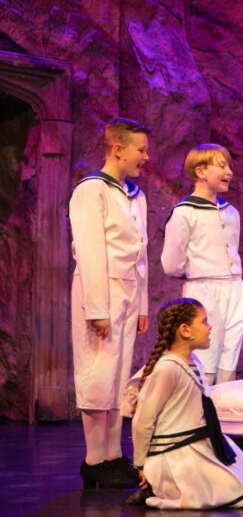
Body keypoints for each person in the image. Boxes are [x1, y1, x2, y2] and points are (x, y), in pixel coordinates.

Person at [130, 298, 243, 509]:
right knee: (227, 488)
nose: (210, 327)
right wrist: (141, 465)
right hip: (175, 454)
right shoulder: (167, 369)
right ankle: (156, 489)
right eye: (204, 321)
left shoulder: (193, 362)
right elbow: (143, 420)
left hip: (197, 442)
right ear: (185, 330)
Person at [69, 117, 151, 489]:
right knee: (98, 372)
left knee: (118, 377)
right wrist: (98, 308)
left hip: (129, 290)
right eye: (141, 149)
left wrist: (143, 304)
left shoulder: (135, 195)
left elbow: (142, 253)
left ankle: (113, 455)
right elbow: (90, 251)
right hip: (98, 287)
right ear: (118, 149)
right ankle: (93, 459)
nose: (146, 157)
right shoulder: (91, 190)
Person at [162, 143, 243, 385]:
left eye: (229, 165)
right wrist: (197, 270)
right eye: (221, 166)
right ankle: (202, 412)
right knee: (205, 354)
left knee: (230, 354)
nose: (229, 171)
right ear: (200, 172)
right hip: (204, 289)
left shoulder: (231, 212)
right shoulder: (185, 212)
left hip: (234, 287)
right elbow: (171, 263)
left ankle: (226, 416)